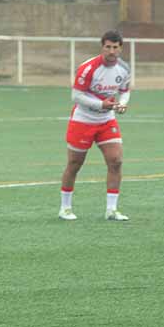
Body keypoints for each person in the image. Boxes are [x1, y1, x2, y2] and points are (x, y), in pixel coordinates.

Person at [59, 30, 131, 222]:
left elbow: (125, 90)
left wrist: (122, 103)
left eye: (115, 47)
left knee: (116, 161)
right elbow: (76, 96)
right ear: (102, 47)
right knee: (74, 164)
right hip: (83, 120)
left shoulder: (124, 68)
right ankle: (65, 208)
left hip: (106, 121)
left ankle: (111, 210)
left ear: (120, 48)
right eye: (108, 47)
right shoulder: (88, 68)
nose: (111, 51)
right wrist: (100, 104)